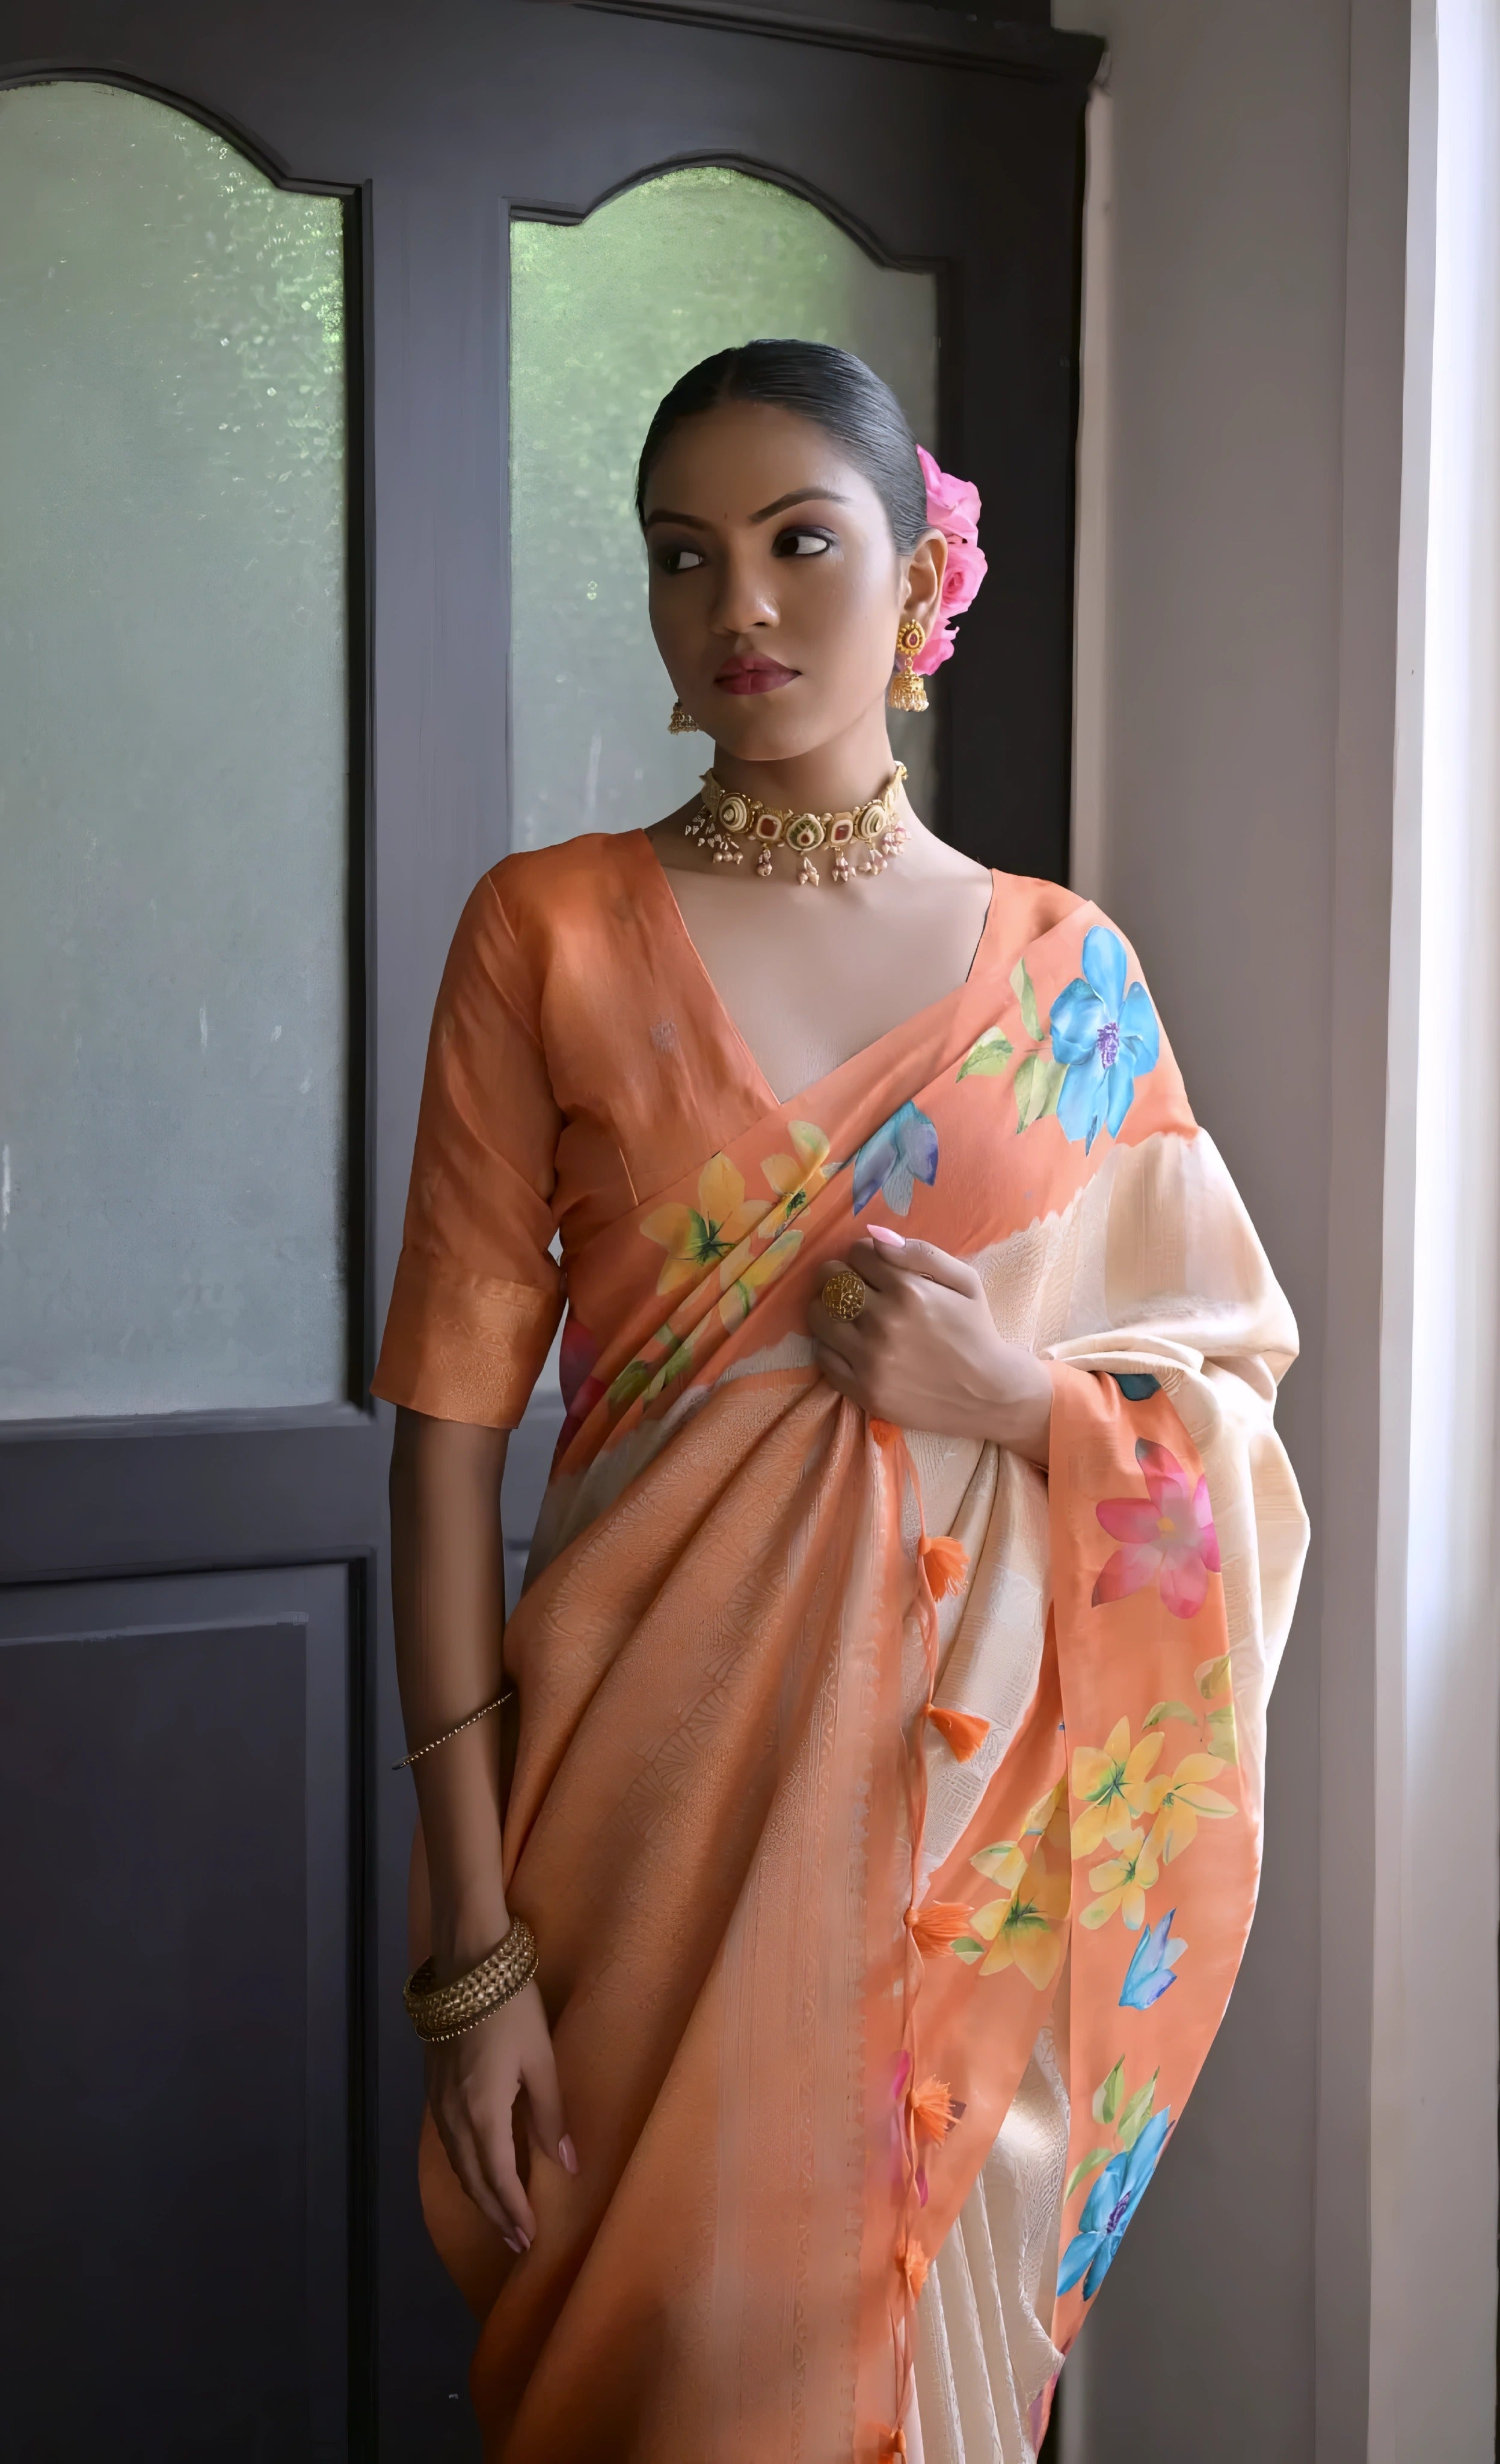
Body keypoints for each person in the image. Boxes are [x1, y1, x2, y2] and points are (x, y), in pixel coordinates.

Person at [375, 340, 1307, 2463]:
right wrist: (472, 1954)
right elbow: (443, 1443)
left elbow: (1227, 1403)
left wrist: (1018, 1396)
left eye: (803, 543)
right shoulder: (548, 932)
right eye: (682, 556)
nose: (741, 607)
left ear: (921, 581)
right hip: (629, 1821)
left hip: (958, 1855)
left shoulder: (1066, 976)